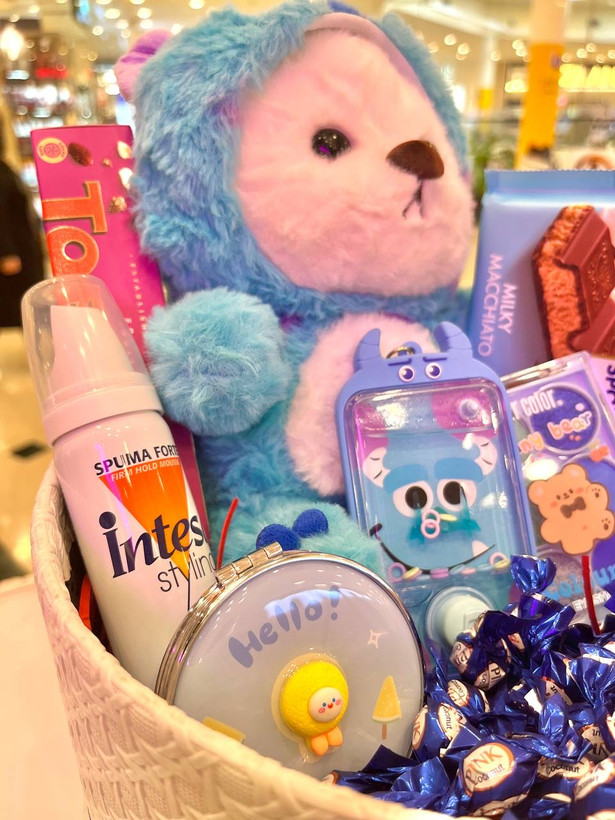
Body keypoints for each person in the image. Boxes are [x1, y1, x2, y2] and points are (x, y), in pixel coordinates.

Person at [0, 108, 44, 328]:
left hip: (22, 248)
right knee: (18, 304)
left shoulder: (4, 167)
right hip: (16, 252)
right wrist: (6, 251)